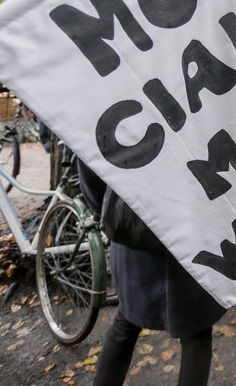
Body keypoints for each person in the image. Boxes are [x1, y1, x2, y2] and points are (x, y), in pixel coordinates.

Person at [80, 164, 226, 385]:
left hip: (134, 226)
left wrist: (109, 214)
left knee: (126, 323)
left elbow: (90, 164)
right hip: (193, 227)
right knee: (197, 334)